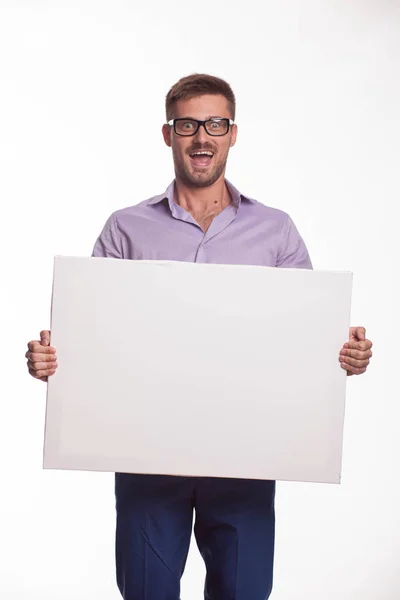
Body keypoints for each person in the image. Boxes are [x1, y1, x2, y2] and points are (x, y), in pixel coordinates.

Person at [26, 74, 373, 600]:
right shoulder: (126, 228)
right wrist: (54, 358)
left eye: (215, 123)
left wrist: (346, 353)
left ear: (233, 134)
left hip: (247, 451)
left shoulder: (276, 232)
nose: (202, 136)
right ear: (169, 134)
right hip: (146, 449)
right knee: (147, 591)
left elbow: (310, 337)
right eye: (188, 124)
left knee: (244, 591)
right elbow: (90, 333)